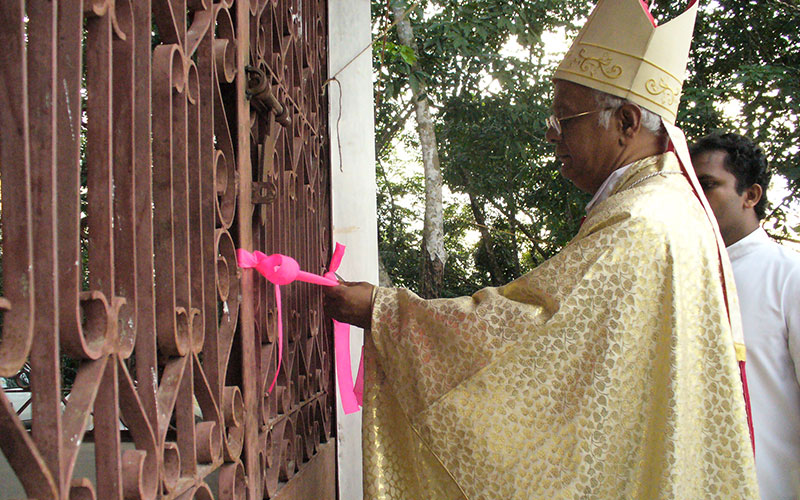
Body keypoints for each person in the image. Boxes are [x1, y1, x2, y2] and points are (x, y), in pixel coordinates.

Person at [325, 0, 759, 497]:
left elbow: (530, 334)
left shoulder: (642, 223)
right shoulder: (664, 204)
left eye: (565, 116)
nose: (552, 133)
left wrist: (386, 313)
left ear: (628, 122)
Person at [692, 132, 800, 499]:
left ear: (750, 196)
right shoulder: (679, 277)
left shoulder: (789, 276)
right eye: (689, 186)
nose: (694, 199)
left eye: (707, 185)